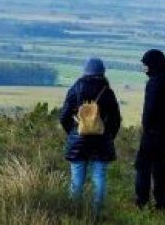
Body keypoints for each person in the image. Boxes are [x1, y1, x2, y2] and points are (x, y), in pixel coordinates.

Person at [60, 58, 121, 214]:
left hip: (78, 142)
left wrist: (74, 132)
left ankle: (74, 213)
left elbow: (64, 117)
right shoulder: (107, 91)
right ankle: (96, 215)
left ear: (85, 71)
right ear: (102, 72)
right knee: (99, 179)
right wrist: (108, 136)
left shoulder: (75, 88)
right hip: (101, 142)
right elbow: (115, 119)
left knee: (76, 180)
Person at [135, 49, 165, 211]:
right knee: (161, 168)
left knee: (143, 166)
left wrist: (146, 127)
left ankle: (142, 201)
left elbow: (150, 110)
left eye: (146, 65)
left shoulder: (155, 82)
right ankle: (162, 204)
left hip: (153, 134)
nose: (144, 68)